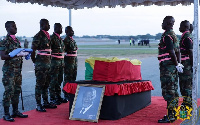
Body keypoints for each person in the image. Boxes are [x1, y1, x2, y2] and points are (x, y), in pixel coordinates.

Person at [0, 21, 28, 122]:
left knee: (16, 91)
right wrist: (15, 54)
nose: (15, 28)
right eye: (13, 26)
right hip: (9, 71)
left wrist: (24, 54)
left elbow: (19, 53)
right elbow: (3, 56)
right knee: (9, 92)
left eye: (15, 26)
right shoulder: (5, 41)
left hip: (17, 71)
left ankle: (15, 111)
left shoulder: (16, 41)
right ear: (7, 28)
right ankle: (6, 114)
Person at [157, 16, 184, 123]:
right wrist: (178, 64)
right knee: (173, 89)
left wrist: (177, 63)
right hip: (172, 67)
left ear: (167, 23)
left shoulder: (167, 36)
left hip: (167, 68)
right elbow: (178, 52)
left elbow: (172, 51)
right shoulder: (174, 35)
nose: (162, 24)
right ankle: (173, 113)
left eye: (163, 22)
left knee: (169, 91)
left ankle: (170, 116)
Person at [31, 19, 57, 112]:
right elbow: (32, 50)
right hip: (41, 64)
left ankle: (46, 102)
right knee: (40, 85)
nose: (49, 26)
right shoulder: (38, 36)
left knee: (46, 84)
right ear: (42, 25)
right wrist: (35, 62)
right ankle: (38, 104)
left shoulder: (47, 36)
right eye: (47, 24)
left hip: (48, 64)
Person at [49, 23, 65, 105]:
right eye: (60, 28)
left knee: (59, 80)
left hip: (61, 62)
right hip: (54, 62)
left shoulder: (60, 39)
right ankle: (52, 98)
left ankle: (58, 96)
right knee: (53, 80)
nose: (61, 29)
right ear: (55, 28)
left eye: (61, 27)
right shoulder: (52, 38)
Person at [179, 20, 193, 108]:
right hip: (185, 64)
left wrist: (192, 65)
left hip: (186, 64)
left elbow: (191, 52)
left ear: (185, 27)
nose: (179, 28)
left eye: (180, 26)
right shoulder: (185, 36)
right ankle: (187, 103)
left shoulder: (187, 37)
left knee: (186, 85)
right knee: (184, 84)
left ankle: (188, 105)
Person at [63, 26, 78, 102]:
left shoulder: (72, 40)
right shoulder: (66, 40)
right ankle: (66, 93)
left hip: (74, 60)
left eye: (72, 30)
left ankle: (71, 92)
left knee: (73, 77)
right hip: (69, 60)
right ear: (66, 32)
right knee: (68, 78)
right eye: (71, 31)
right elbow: (63, 50)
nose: (73, 31)